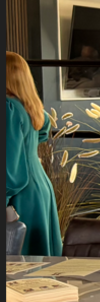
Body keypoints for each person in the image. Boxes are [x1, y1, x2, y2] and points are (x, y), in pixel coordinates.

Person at [6, 52, 61, 257]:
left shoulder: (8, 107)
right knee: (40, 263)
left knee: (22, 266)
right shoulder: (31, 107)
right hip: (40, 188)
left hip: (19, 194)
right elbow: (42, 133)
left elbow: (10, 166)